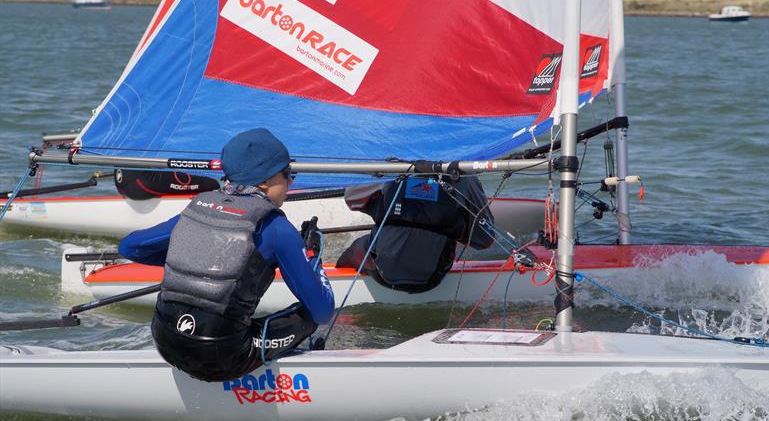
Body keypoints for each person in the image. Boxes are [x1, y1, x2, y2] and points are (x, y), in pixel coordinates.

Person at [118, 128, 334, 382]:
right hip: (224, 358)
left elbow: (129, 247)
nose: (291, 183)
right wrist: (312, 255)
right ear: (265, 181)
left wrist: (187, 256)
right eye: (288, 174)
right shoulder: (277, 228)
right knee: (307, 317)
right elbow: (323, 311)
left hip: (164, 341)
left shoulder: (199, 207)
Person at [336, 164, 495, 293]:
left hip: (383, 268)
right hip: (434, 276)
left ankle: (332, 288)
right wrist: (457, 229)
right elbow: (484, 240)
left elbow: (351, 200)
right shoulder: (462, 173)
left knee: (353, 251)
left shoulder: (392, 166)